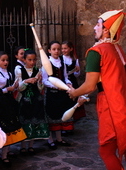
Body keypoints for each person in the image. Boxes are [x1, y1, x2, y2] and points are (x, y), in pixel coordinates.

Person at [68, 9, 126, 170]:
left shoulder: (96, 52)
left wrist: (74, 92)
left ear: (106, 30)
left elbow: (90, 85)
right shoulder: (118, 50)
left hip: (111, 106)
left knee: (106, 150)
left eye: (97, 24)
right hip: (122, 102)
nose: (94, 28)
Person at [0, 51, 27, 167]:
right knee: (3, 127)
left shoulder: (8, 73)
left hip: (8, 102)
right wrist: (7, 89)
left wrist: (13, 88)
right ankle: (1, 154)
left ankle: (6, 152)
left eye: (7, 60)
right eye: (3, 60)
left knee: (10, 126)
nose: (5, 62)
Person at [16, 49, 49, 155]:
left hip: (36, 100)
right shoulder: (20, 70)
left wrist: (39, 82)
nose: (32, 62)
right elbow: (19, 88)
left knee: (34, 121)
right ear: (24, 59)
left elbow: (40, 88)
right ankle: (23, 146)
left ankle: (31, 146)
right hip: (25, 100)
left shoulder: (38, 70)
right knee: (25, 121)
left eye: (34, 60)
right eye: (29, 60)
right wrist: (26, 81)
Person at [41, 41, 74, 150]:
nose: (57, 51)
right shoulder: (46, 63)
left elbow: (65, 77)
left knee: (60, 116)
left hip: (61, 94)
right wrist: (56, 86)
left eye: (58, 49)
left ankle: (59, 139)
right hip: (51, 94)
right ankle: (50, 140)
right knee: (51, 116)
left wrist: (68, 83)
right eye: (54, 49)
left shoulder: (62, 63)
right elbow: (45, 80)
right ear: (49, 51)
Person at [61, 41, 85, 134]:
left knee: (73, 103)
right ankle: (64, 125)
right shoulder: (61, 59)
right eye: (62, 48)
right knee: (65, 103)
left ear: (71, 49)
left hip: (73, 83)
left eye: (65, 48)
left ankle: (71, 125)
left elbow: (77, 75)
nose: (63, 50)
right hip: (65, 84)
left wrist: (77, 71)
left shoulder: (75, 60)